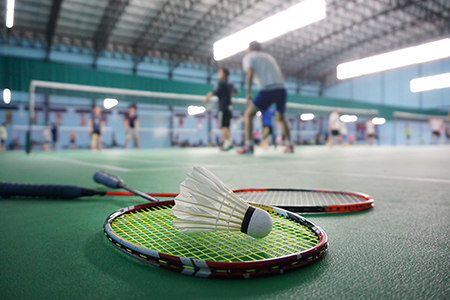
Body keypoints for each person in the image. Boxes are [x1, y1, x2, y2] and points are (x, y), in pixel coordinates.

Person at [237, 41, 293, 154]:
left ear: (249, 48)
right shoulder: (269, 57)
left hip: (268, 89)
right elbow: (280, 73)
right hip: (281, 88)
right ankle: (290, 145)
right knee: (281, 118)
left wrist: (248, 93)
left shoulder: (249, 57)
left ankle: (249, 146)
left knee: (248, 114)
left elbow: (250, 73)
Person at [203, 68, 237, 151]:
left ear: (224, 73)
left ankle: (227, 144)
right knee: (227, 126)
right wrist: (228, 96)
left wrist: (205, 98)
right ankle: (229, 143)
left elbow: (213, 92)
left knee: (222, 126)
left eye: (220, 72)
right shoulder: (231, 83)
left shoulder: (221, 83)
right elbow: (235, 91)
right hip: (230, 107)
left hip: (223, 107)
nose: (219, 74)